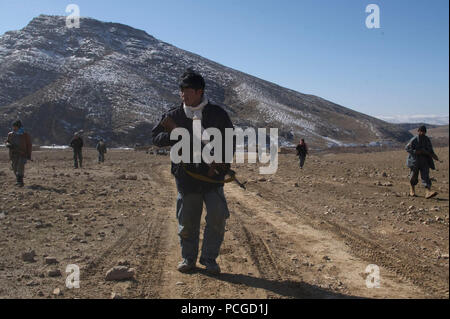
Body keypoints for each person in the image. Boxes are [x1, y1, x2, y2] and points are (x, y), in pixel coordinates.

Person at [152, 69, 234, 275]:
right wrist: (175, 136)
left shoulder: (217, 114)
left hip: (212, 177)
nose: (183, 95)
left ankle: (209, 259)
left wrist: (221, 160)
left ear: (200, 92)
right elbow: (156, 138)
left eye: (187, 91)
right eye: (181, 91)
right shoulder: (173, 115)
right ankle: (188, 259)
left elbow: (230, 140)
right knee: (187, 221)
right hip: (187, 178)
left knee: (217, 217)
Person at [405, 125, 440, 199]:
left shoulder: (427, 139)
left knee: (426, 176)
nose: (422, 133)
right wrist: (415, 151)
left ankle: (428, 192)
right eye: (421, 131)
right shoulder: (414, 139)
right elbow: (407, 148)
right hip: (415, 161)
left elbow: (430, 149)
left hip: (424, 161)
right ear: (418, 131)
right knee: (413, 176)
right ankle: (412, 190)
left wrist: (434, 156)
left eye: (424, 132)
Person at [4, 120, 32, 187]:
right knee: (15, 167)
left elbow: (29, 145)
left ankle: (20, 182)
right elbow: (7, 141)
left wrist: (29, 155)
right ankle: (18, 180)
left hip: (22, 154)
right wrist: (8, 144)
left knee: (20, 167)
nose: (14, 128)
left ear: (19, 127)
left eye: (15, 127)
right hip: (13, 154)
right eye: (13, 127)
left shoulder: (25, 135)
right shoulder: (10, 134)